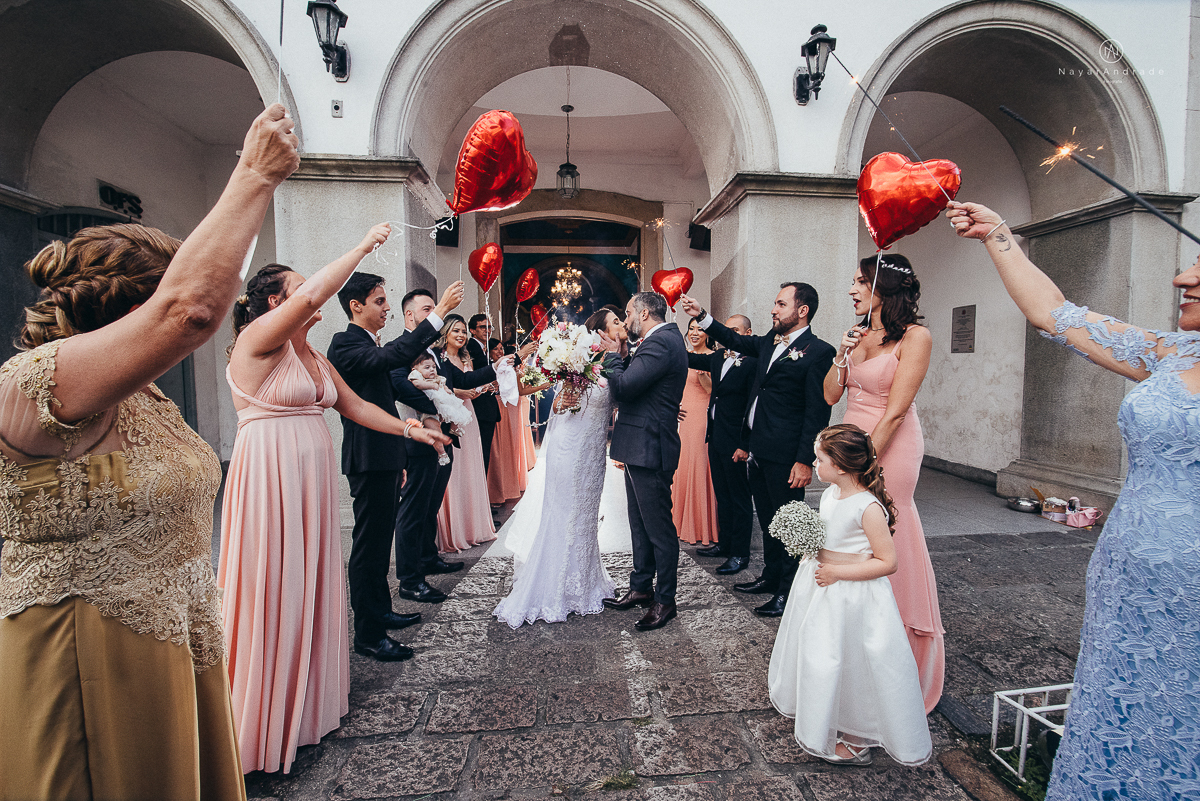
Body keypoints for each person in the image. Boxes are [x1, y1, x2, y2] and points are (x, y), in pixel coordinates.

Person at [0, 104, 296, 799]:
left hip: (173, 648)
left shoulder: (143, 396)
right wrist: (253, 174)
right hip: (90, 659)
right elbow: (190, 310)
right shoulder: (32, 386)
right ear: (134, 308)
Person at [948, 200, 1200, 800]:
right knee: (1121, 706)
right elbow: (1055, 314)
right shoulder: (1172, 352)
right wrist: (998, 235)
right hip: (1129, 576)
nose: (1181, 279)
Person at [219, 230, 450, 773]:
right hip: (271, 478)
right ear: (277, 303)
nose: (312, 298)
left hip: (311, 481)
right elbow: (311, 296)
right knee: (277, 582)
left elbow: (355, 408)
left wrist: (411, 430)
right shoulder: (259, 341)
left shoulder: (316, 357)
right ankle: (260, 716)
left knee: (312, 579)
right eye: (301, 291)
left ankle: (303, 708)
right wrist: (363, 249)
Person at [821, 253, 943, 713]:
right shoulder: (858, 336)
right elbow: (831, 394)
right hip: (850, 441)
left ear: (883, 286)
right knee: (849, 532)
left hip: (890, 445)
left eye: (858, 281)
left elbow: (895, 409)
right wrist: (842, 354)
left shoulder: (916, 337)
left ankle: (898, 643)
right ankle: (854, 637)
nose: (851, 289)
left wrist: (863, 465)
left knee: (886, 528)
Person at [768, 424, 932, 767]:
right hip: (822, 587)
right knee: (824, 655)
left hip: (853, 597)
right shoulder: (830, 494)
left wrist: (837, 572)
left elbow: (888, 562)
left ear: (840, 466)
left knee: (854, 661)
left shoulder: (868, 507)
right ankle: (827, 714)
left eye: (820, 459)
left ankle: (858, 737)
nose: (814, 465)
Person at [326, 273, 464, 662]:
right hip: (367, 459)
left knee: (379, 539)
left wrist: (398, 458)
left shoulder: (366, 343)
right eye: (380, 302)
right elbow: (394, 358)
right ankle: (368, 633)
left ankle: (381, 611)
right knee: (369, 548)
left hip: (386, 456)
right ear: (356, 306)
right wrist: (437, 315)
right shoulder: (345, 344)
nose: (387, 308)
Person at [679, 285, 836, 617]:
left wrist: (804, 460)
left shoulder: (818, 351)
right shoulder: (768, 343)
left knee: (788, 524)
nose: (773, 310)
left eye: (781, 303)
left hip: (786, 454)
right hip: (758, 451)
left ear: (802, 310)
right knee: (767, 521)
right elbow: (734, 340)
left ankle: (787, 590)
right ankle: (769, 576)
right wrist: (702, 317)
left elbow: (816, 411)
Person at [493, 309, 619, 627]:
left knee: (585, 516)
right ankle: (554, 586)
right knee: (565, 514)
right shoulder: (572, 358)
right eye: (616, 321)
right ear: (600, 332)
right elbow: (523, 388)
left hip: (592, 455)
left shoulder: (619, 360)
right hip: (569, 448)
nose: (622, 324)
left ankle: (586, 581)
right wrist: (520, 363)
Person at [600, 291, 690, 631]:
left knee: (658, 529)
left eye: (627, 312)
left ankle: (665, 600)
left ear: (645, 312)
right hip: (641, 443)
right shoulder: (660, 341)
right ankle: (640, 587)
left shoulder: (660, 342)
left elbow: (624, 388)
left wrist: (613, 356)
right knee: (639, 523)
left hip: (650, 445)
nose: (625, 320)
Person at [687, 315, 758, 575]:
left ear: (748, 334)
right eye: (726, 330)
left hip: (736, 442)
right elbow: (692, 358)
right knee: (722, 495)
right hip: (715, 438)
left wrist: (745, 444)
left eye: (735, 330)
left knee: (739, 498)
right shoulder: (718, 358)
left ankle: (740, 554)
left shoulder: (753, 363)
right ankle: (725, 544)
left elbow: (753, 406)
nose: (729, 335)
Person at [435, 315, 498, 553]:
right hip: (450, 415)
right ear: (446, 334)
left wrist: (480, 390)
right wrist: (461, 391)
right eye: (456, 331)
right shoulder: (439, 358)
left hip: (469, 414)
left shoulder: (465, 357)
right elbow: (444, 386)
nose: (461, 336)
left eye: (463, 332)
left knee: (473, 466)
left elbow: (471, 381)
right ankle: (454, 529)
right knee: (455, 471)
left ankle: (473, 526)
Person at [673, 318, 720, 546]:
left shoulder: (713, 357)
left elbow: (716, 393)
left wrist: (704, 378)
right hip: (684, 418)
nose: (694, 332)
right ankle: (681, 523)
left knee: (699, 465)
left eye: (700, 329)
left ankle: (702, 527)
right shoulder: (684, 355)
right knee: (682, 465)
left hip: (703, 417)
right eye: (691, 328)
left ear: (708, 334)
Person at [488, 337, 537, 504]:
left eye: (502, 349)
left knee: (510, 447)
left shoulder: (511, 368)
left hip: (509, 405)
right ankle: (497, 490)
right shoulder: (494, 369)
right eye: (497, 349)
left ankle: (509, 484)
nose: (500, 352)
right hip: (499, 406)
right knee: (499, 450)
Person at [410, 351, 472, 465]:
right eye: (427, 367)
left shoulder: (438, 378)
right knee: (436, 431)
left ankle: (455, 428)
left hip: (442, 407)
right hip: (429, 413)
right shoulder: (418, 377)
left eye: (433, 366)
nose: (432, 369)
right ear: (415, 369)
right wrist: (432, 385)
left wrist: (446, 389)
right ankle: (442, 453)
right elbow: (417, 385)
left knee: (456, 410)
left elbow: (445, 387)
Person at [466, 313, 502, 472]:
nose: (487, 331)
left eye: (489, 327)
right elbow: (481, 373)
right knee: (481, 452)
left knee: (484, 451)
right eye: (483, 327)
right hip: (480, 407)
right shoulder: (472, 347)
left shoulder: (483, 348)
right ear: (473, 330)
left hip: (486, 407)